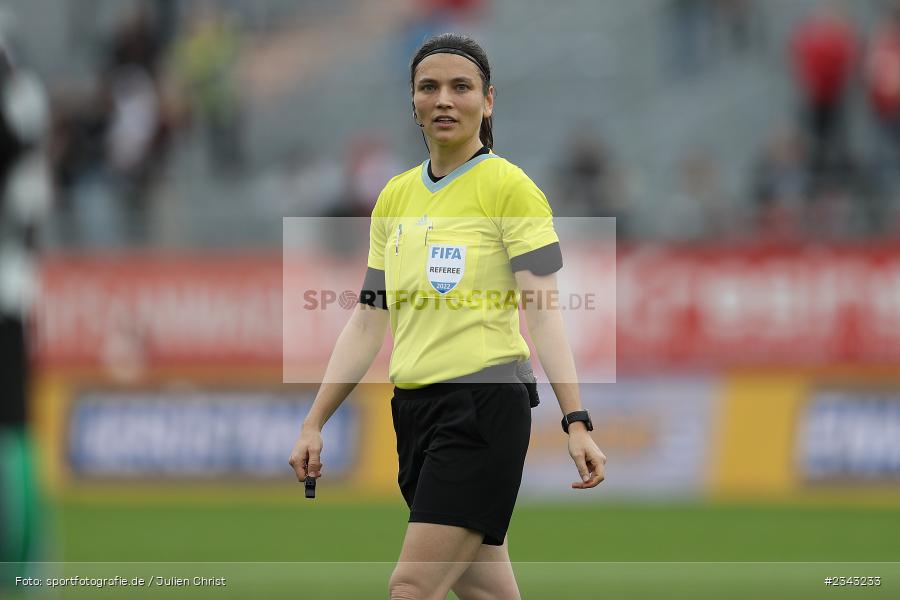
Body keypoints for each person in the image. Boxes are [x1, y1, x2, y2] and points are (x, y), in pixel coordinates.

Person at [289, 33, 606, 599]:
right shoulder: (394, 197)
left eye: (461, 87)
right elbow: (367, 321)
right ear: (411, 100)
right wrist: (315, 419)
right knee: (486, 594)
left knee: (411, 589)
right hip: (414, 412)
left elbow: (545, 315)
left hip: (482, 408)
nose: (443, 99)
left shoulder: (511, 189)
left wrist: (575, 418)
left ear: (488, 101)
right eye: (428, 87)